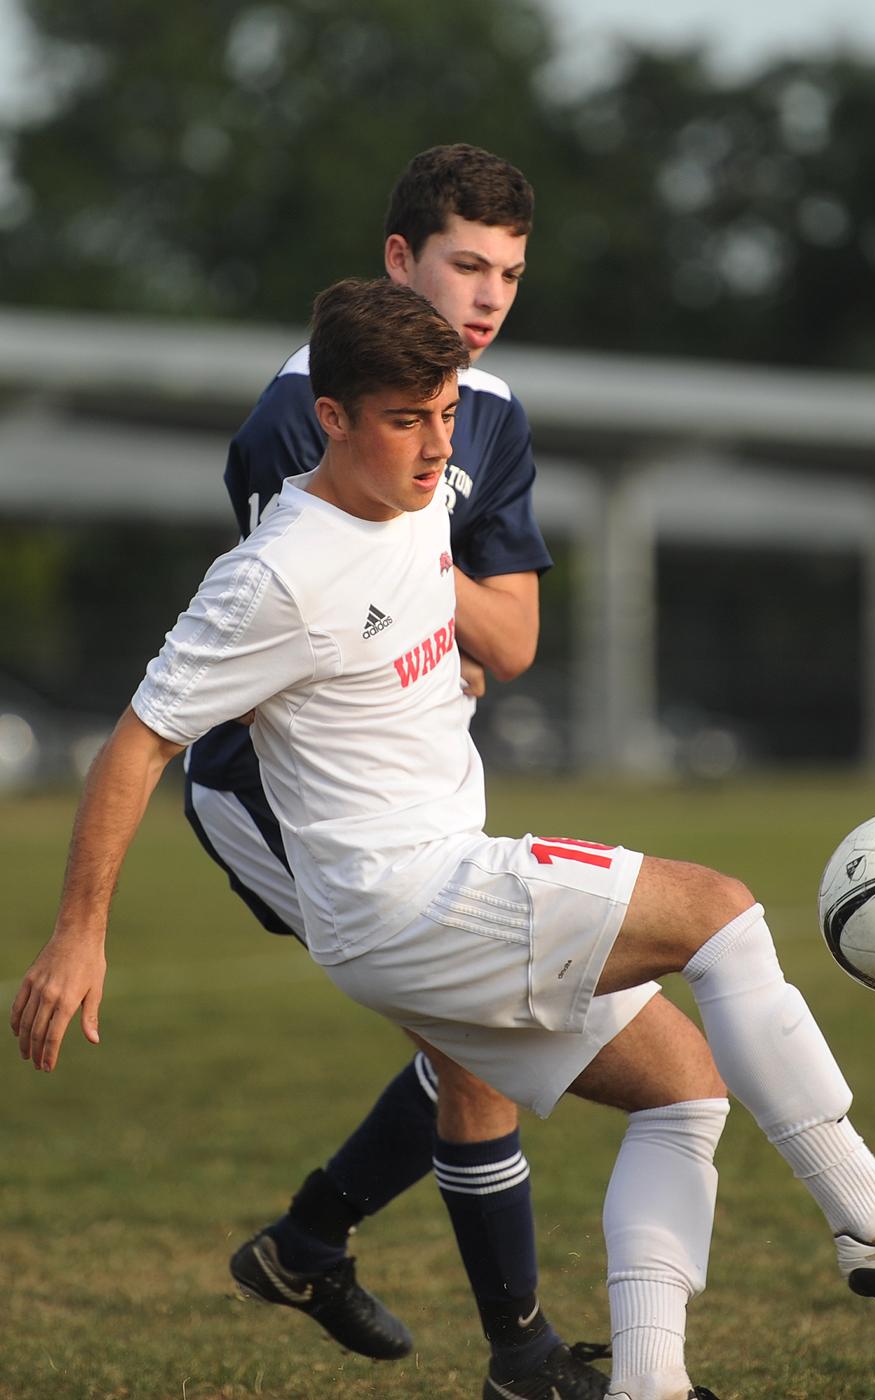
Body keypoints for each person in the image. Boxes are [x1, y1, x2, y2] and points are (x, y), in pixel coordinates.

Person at [12, 278, 875, 1400]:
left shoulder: (414, 511)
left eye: (445, 415)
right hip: (405, 894)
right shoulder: (271, 574)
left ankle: (646, 1382)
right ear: (331, 418)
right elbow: (134, 742)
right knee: (720, 907)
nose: (431, 444)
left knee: (683, 1087)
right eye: (403, 418)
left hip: (421, 893)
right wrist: (79, 934)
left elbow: (443, 637)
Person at [183, 142, 629, 1399]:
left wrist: (429, 611)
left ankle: (311, 1238)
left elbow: (518, 639)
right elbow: (323, 629)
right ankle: (522, 1358)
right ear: (398, 261)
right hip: (273, 789)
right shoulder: (299, 412)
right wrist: (439, 617)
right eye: (464, 265)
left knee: (467, 1030)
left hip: (411, 777)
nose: (488, 298)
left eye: (509, 273)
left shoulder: (489, 409)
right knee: (480, 1028)